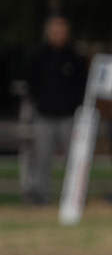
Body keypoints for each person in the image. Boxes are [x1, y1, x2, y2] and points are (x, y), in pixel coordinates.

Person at [23, 16, 86, 206]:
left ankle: (73, 197)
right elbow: (31, 83)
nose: (58, 34)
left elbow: (82, 84)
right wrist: (39, 103)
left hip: (68, 116)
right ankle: (41, 196)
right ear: (48, 32)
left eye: (61, 31)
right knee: (42, 157)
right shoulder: (38, 56)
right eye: (54, 31)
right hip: (44, 116)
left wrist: (75, 105)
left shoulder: (75, 57)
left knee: (73, 158)